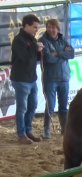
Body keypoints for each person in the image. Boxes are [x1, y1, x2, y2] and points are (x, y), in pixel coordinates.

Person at [10, 14, 44, 145]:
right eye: (35, 27)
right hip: (20, 79)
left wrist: (39, 52)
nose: (37, 30)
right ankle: (21, 134)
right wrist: (36, 49)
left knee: (32, 106)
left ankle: (28, 130)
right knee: (22, 108)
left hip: (31, 78)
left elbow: (32, 59)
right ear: (27, 26)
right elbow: (24, 58)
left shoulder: (32, 40)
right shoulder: (18, 40)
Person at [39, 18, 74, 139]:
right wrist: (63, 54)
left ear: (57, 29)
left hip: (64, 78)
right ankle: (46, 130)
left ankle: (65, 129)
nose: (51, 29)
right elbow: (49, 59)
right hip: (50, 79)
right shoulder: (42, 40)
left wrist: (57, 53)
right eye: (49, 27)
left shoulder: (62, 39)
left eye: (53, 27)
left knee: (64, 106)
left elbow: (72, 54)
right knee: (50, 106)